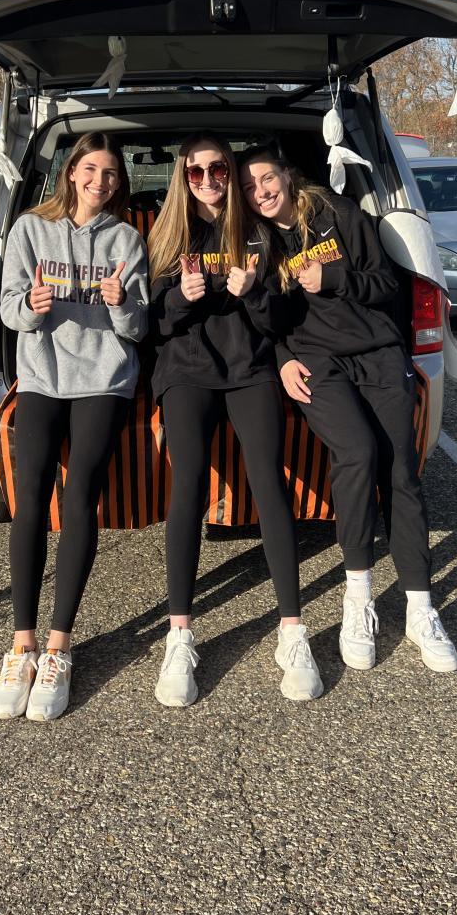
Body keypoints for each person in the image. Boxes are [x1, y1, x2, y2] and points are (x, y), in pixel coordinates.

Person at [239, 143, 457, 674]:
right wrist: (283, 358)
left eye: (266, 178)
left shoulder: (339, 215)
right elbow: (267, 320)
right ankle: (358, 597)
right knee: (357, 453)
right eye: (248, 187)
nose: (260, 192)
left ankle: (420, 608)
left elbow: (387, 285)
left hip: (379, 354)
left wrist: (334, 278)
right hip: (319, 363)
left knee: (400, 471)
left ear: (287, 176)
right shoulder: (258, 243)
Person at [147, 134, 322, 707]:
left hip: (249, 368)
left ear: (230, 171)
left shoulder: (256, 233)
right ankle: (180, 636)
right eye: (195, 172)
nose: (207, 181)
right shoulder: (169, 234)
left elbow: (281, 317)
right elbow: (151, 323)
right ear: (183, 178)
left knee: (269, 481)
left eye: (218, 169)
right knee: (189, 485)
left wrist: (252, 295)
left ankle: (292, 631)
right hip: (187, 370)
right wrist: (181, 297)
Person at [0, 132, 149, 721]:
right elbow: (8, 308)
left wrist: (119, 302)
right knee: (30, 497)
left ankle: (59, 647)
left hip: (103, 380)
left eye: (110, 173)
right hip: (42, 376)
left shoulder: (127, 239)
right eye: (90, 169)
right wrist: (29, 307)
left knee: (81, 496)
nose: (99, 182)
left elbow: (137, 328)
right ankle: (22, 644)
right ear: (71, 172)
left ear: (118, 182)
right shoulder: (30, 229)